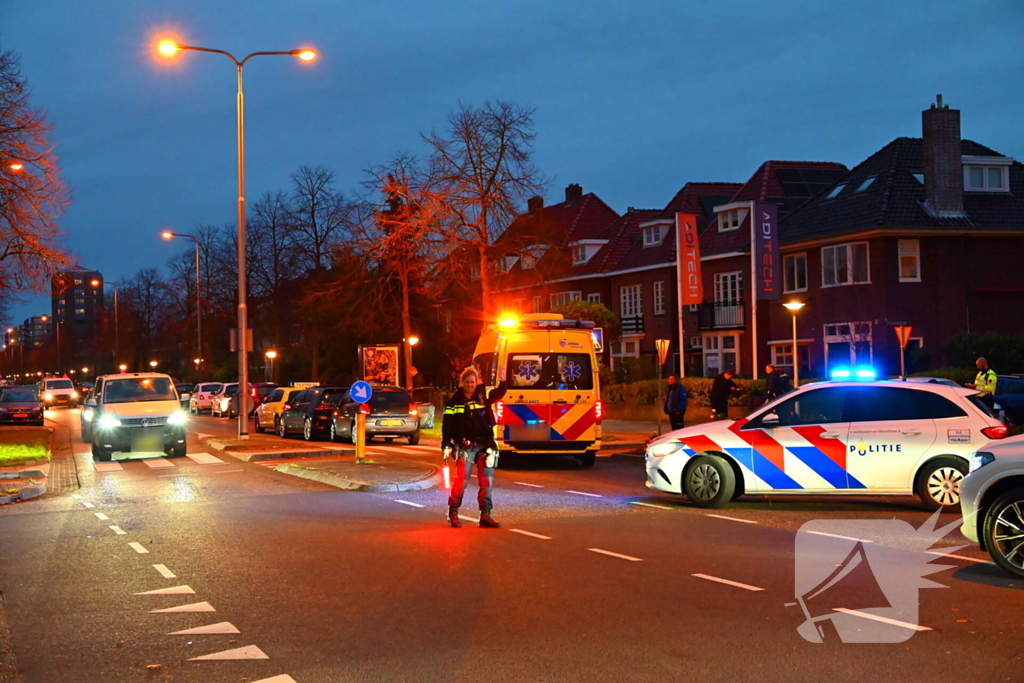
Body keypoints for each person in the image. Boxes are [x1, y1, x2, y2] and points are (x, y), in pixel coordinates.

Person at [441, 367, 506, 529]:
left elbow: (499, 393)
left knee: (487, 482)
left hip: (486, 445)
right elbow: (447, 425)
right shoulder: (453, 402)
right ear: (462, 383)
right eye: (467, 382)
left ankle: (485, 515)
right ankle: (453, 512)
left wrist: (503, 381)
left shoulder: (482, 397)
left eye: (473, 382)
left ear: (477, 383)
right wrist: (446, 444)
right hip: (465, 445)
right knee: (462, 480)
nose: (470, 385)